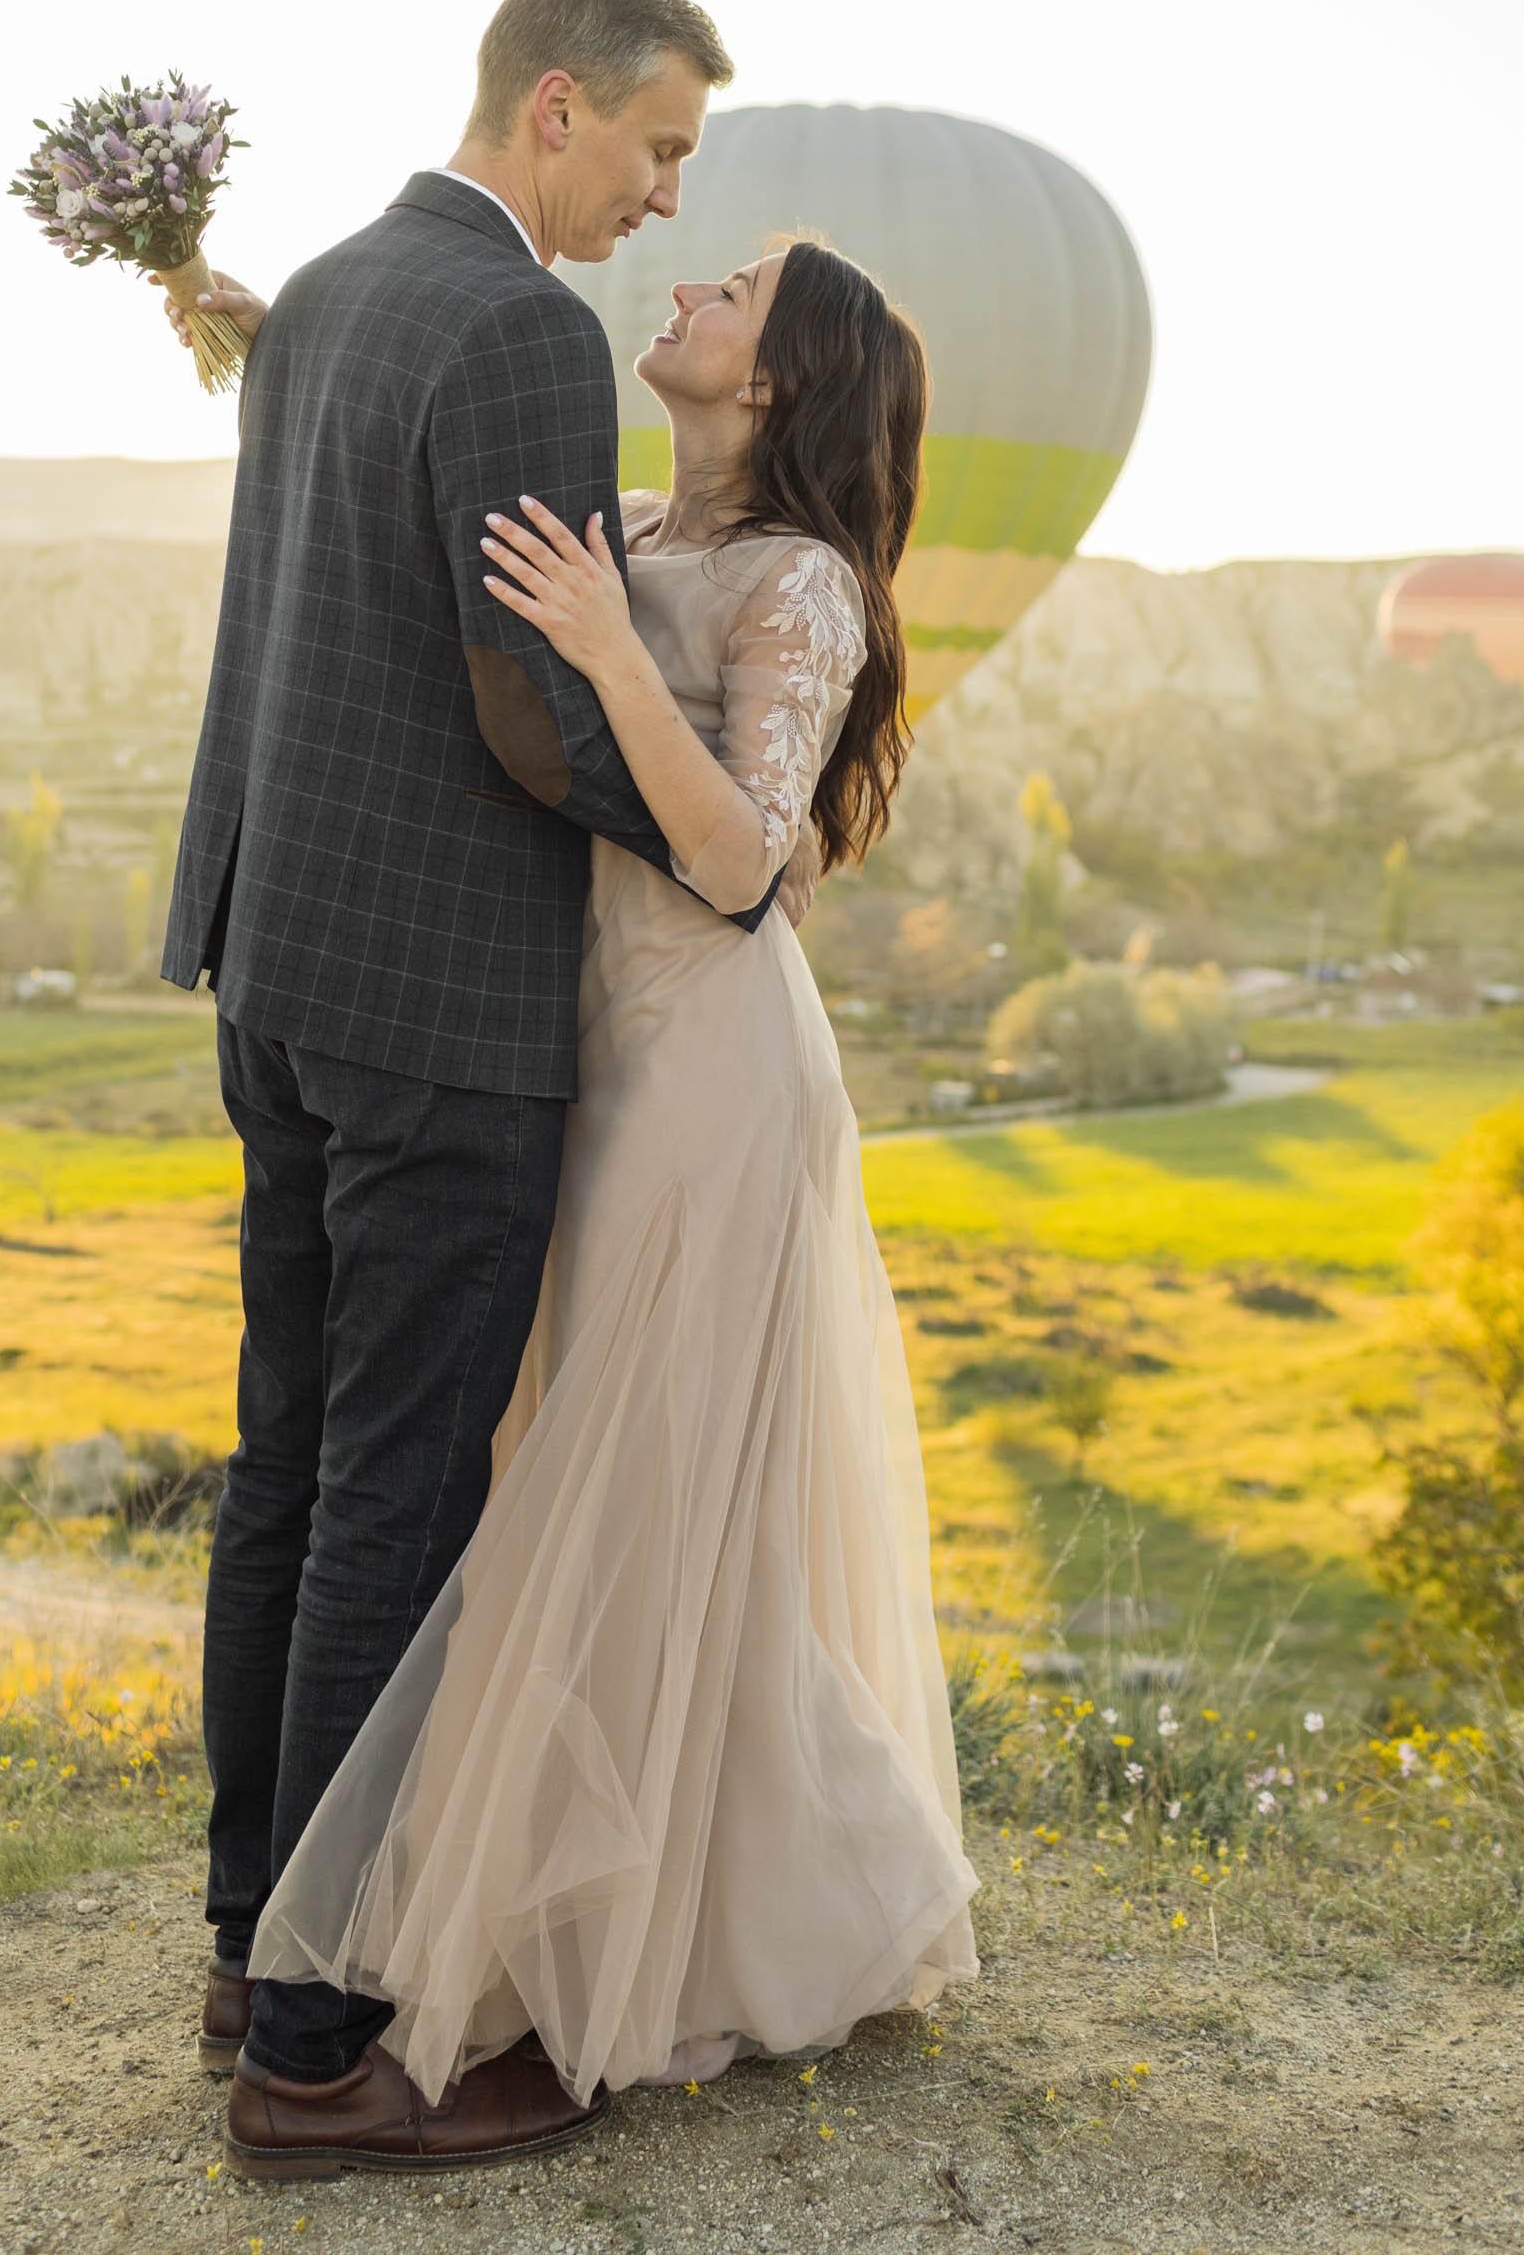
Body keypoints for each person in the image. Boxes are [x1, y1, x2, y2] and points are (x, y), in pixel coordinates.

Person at [229, 234, 979, 2182]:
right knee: (563, 1464)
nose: (686, 287)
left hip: (708, 1075)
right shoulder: (637, 515)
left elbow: (741, 861)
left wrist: (592, 651)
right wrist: (249, 326)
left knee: (626, 1495)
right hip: (584, 1045)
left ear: (783, 376)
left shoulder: (800, 580)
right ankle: (599, 1885)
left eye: (729, 288)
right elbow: (434, 490)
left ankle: (630, 1950)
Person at [159, 0, 751, 2176]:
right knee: (398, 1496)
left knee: (290, 1463)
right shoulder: (517, 330)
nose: (661, 199)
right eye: (658, 147)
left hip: (280, 967)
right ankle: (315, 2052)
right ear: (551, 115)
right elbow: (529, 697)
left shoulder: (315, 290)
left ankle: (249, 1934)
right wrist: (706, 856)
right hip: (432, 1011)